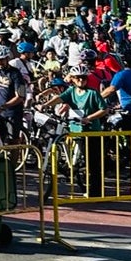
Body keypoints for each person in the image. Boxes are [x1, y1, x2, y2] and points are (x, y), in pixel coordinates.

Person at [55, 65, 106, 197]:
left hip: (91, 131)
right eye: (78, 78)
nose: (81, 80)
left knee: (93, 162)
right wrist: (43, 105)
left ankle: (95, 191)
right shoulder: (71, 91)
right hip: (75, 130)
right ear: (72, 79)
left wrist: (89, 118)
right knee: (77, 158)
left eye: (83, 78)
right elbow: (59, 98)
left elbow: (104, 109)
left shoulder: (92, 93)